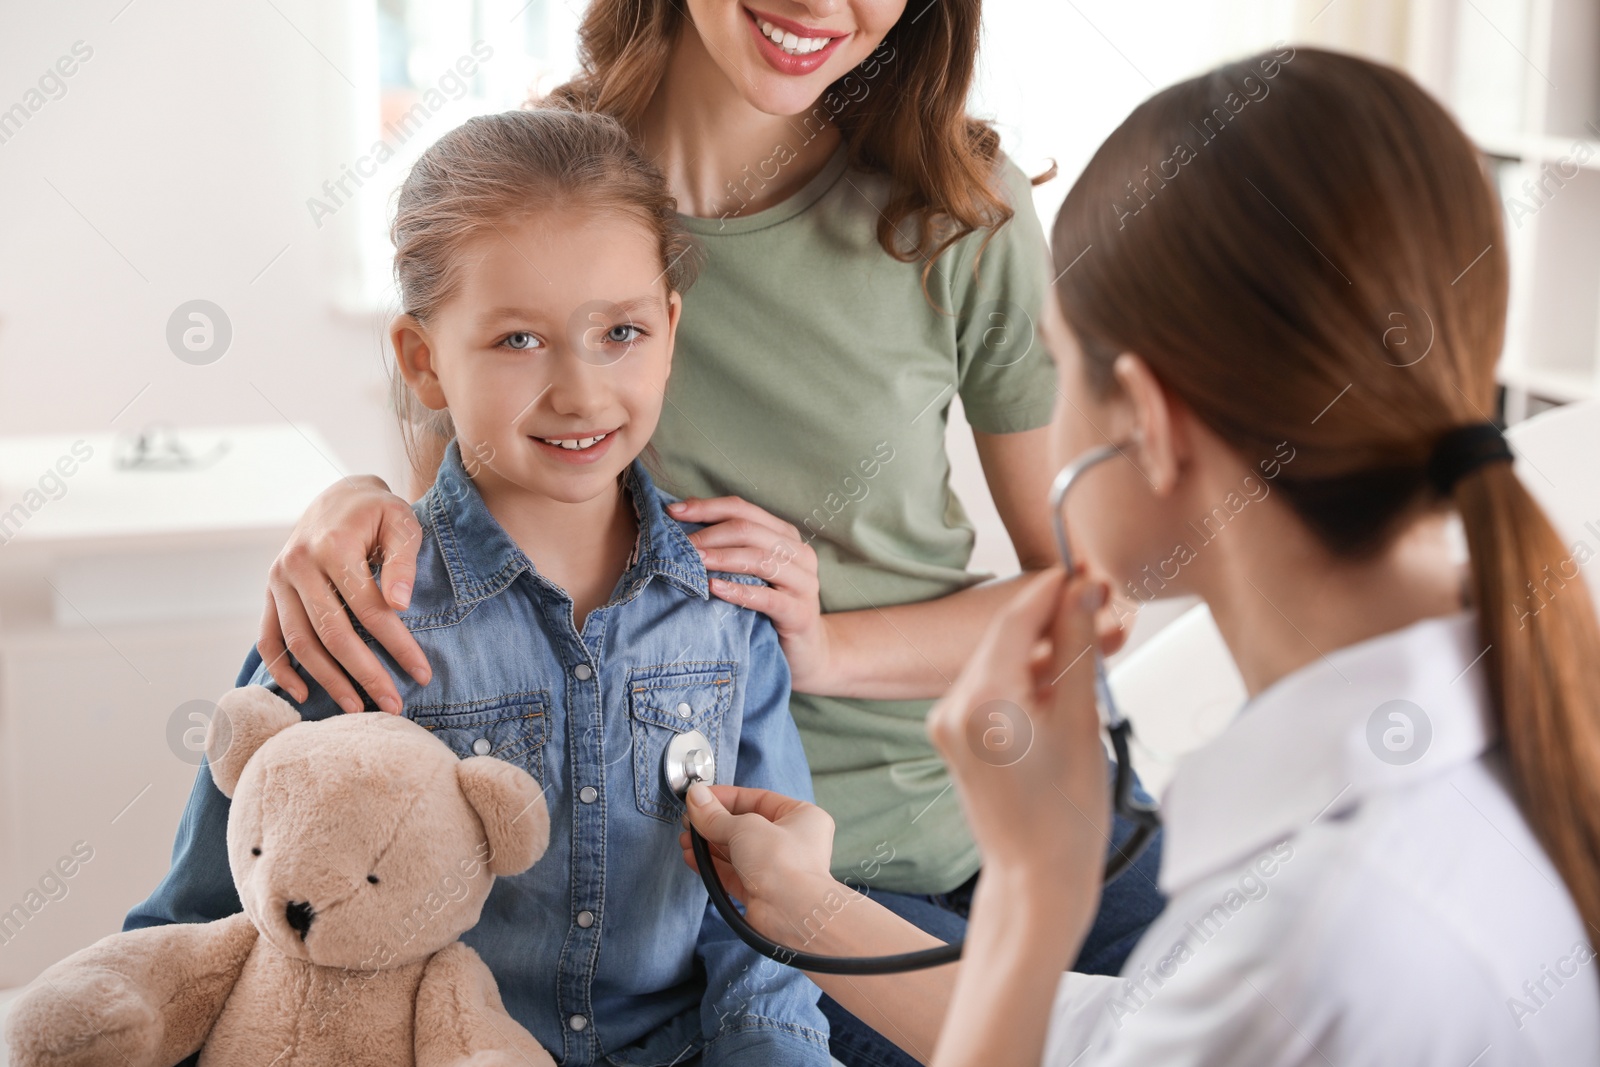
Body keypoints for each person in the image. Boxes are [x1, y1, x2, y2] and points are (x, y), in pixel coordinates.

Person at [213, 3, 1166, 1063]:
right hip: (790, 874)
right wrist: (345, 494)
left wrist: (827, 645)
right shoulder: (548, 189)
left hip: (1042, 811)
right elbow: (472, 542)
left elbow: (1093, 589)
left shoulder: (955, 202)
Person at [674, 47, 1600, 1065]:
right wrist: (812, 905)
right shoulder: (1514, 738)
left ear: (1149, 423)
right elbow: (1133, 1036)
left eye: (1063, 363)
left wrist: (1030, 892)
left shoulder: (1329, 942)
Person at [127, 108, 833, 1067]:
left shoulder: (725, 607)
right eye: (517, 342)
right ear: (424, 362)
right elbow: (210, 913)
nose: (581, 392)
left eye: (620, 331)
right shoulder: (355, 612)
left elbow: (765, 923)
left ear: (670, 329)